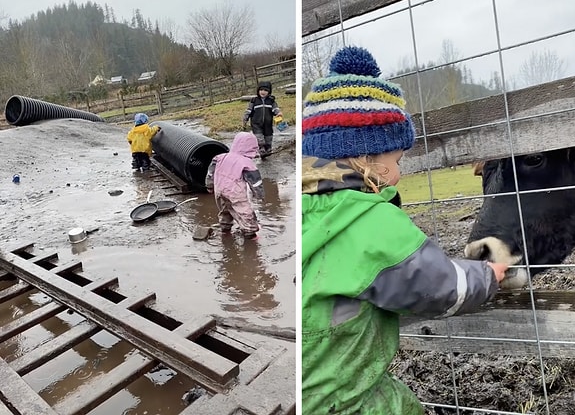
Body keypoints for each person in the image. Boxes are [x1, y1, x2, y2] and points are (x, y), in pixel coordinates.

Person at [301, 46, 508, 415]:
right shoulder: (369, 222)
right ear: (366, 159)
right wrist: (488, 275)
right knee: (400, 406)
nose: (399, 173)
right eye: (397, 161)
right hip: (343, 397)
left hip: (308, 382)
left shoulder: (303, 204)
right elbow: (438, 285)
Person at [205, 131, 265, 240]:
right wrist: (259, 195)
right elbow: (255, 182)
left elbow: (210, 173)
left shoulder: (220, 157)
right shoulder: (247, 163)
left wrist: (209, 186)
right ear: (252, 148)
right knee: (244, 211)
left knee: (224, 209)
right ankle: (250, 233)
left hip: (219, 189)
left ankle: (225, 229)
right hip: (234, 192)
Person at [243, 81, 282, 158]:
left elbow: (275, 109)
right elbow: (249, 110)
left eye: (265, 90)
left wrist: (278, 113)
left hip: (268, 123)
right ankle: (261, 149)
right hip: (256, 123)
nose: (263, 92)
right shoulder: (254, 101)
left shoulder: (271, 101)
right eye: (261, 90)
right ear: (258, 90)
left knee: (268, 137)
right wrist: (245, 117)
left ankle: (268, 149)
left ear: (269, 92)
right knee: (259, 138)